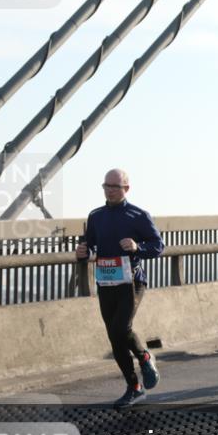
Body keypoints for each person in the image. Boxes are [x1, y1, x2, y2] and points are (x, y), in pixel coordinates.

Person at [76, 169, 165, 409]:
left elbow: (158, 246)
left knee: (120, 328)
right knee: (114, 337)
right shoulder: (96, 216)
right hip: (106, 282)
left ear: (126, 188)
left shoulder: (138, 215)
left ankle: (144, 357)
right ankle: (134, 388)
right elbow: (90, 247)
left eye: (115, 186)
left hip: (132, 283)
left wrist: (137, 247)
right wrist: (83, 253)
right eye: (106, 185)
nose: (110, 190)